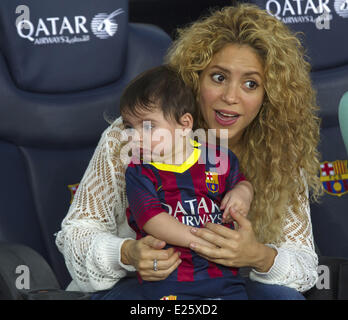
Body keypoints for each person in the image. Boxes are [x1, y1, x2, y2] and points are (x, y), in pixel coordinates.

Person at [55, 4, 322, 300]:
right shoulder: (135, 134)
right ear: (195, 78)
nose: (231, 96)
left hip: (225, 287)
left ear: (269, 95)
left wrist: (258, 255)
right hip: (143, 288)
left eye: (250, 84)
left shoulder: (278, 150)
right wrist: (128, 253)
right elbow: (76, 235)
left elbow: (304, 265)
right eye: (219, 77)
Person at [120, 65, 253, 299]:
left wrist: (242, 193)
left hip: (223, 277)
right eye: (129, 127)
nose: (135, 136)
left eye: (148, 126)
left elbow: (240, 181)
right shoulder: (139, 171)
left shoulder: (215, 157)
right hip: (170, 280)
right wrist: (200, 240)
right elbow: (152, 219)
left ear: (184, 124)